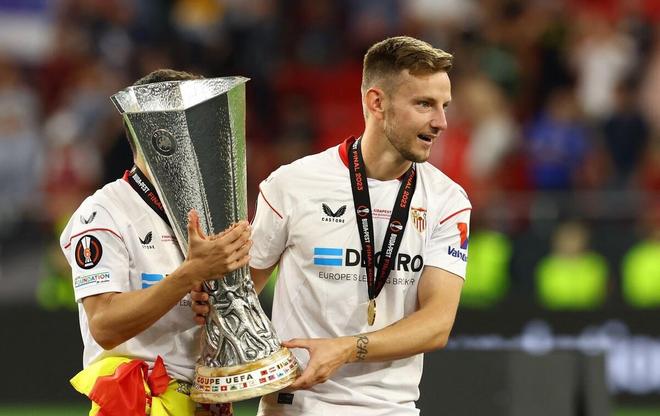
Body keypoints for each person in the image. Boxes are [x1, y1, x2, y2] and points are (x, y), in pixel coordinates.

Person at [193, 35, 472, 415]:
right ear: (377, 102)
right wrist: (207, 293)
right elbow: (239, 296)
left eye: (444, 106)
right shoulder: (292, 184)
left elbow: (437, 324)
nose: (440, 122)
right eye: (424, 104)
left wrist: (345, 349)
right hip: (295, 405)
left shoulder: (448, 201)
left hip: (391, 409)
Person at [60, 69, 251, 416]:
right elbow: (104, 324)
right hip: (136, 401)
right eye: (193, 122)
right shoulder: (104, 212)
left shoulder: (211, 213)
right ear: (158, 135)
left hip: (202, 399)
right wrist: (189, 274)